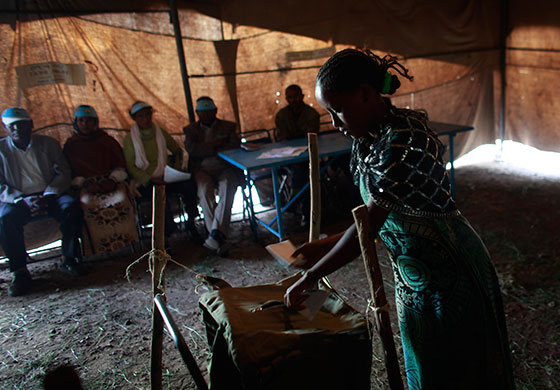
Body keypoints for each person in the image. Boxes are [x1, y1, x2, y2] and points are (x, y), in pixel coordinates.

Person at [284, 49, 515, 390]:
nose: (334, 123)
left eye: (337, 110)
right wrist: (322, 245)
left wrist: (311, 277)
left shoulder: (406, 139)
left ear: (366, 93)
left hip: (451, 271)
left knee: (461, 367)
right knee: (426, 361)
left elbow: (371, 226)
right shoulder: (366, 139)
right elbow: (372, 222)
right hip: (414, 275)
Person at [0, 107, 85, 297]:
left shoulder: (48, 144)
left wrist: (51, 193)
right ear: (5, 129)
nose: (17, 130)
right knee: (5, 219)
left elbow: (63, 171)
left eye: (22, 125)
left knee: (71, 207)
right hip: (19, 199)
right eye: (12, 126)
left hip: (49, 194)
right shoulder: (1, 150)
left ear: (31, 125)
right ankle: (20, 272)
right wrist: (21, 199)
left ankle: (69, 258)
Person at [63, 105, 138, 255]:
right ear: (76, 123)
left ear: (96, 122)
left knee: (122, 198)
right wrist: (85, 183)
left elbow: (120, 164)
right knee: (86, 203)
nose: (85, 124)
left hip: (111, 182)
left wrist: (112, 180)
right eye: (81, 121)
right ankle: (97, 247)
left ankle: (129, 242)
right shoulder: (71, 145)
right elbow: (69, 171)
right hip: (87, 186)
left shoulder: (107, 140)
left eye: (89, 121)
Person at [123, 101, 200, 242]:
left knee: (189, 186)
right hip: (145, 181)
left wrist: (173, 171)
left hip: (165, 177)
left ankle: (191, 223)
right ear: (134, 119)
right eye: (140, 117)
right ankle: (165, 238)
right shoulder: (130, 139)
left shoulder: (160, 132)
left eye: (147, 115)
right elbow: (131, 166)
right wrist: (150, 178)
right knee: (158, 194)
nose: (145, 119)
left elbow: (177, 151)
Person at [183, 97, 242, 254]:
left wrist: (206, 147)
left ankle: (214, 236)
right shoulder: (191, 130)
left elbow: (234, 146)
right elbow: (192, 150)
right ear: (197, 114)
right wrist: (215, 145)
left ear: (215, 111)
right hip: (202, 169)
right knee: (204, 191)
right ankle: (218, 237)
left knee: (228, 187)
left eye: (209, 112)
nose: (206, 116)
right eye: (203, 113)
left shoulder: (228, 126)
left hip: (225, 167)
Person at [274, 85, 320, 224]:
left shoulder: (311, 113)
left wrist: (294, 138)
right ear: (286, 99)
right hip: (288, 157)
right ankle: (303, 208)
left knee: (304, 170)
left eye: (296, 96)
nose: (293, 100)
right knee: (301, 171)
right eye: (290, 97)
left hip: (308, 155)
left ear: (302, 96)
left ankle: (299, 204)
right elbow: (282, 137)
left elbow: (311, 135)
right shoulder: (281, 115)